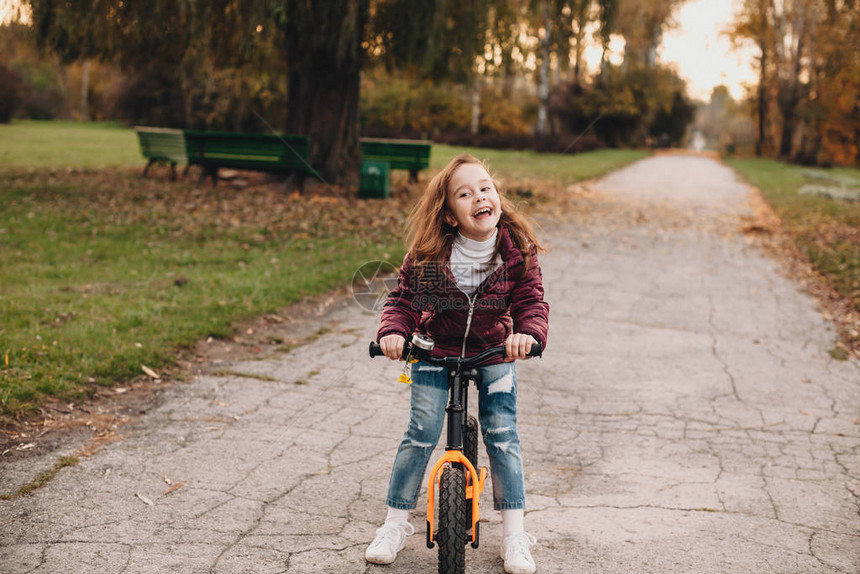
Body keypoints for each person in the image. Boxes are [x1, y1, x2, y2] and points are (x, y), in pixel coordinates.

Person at [365, 153, 549, 574]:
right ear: (450, 215)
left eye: (485, 188)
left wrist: (527, 335)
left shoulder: (516, 251)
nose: (479, 197)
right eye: (465, 194)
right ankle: (394, 523)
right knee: (420, 431)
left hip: (494, 350)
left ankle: (514, 534)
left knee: (502, 434)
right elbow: (405, 300)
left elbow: (530, 302)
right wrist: (393, 333)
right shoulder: (431, 252)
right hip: (436, 348)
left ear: (497, 196)